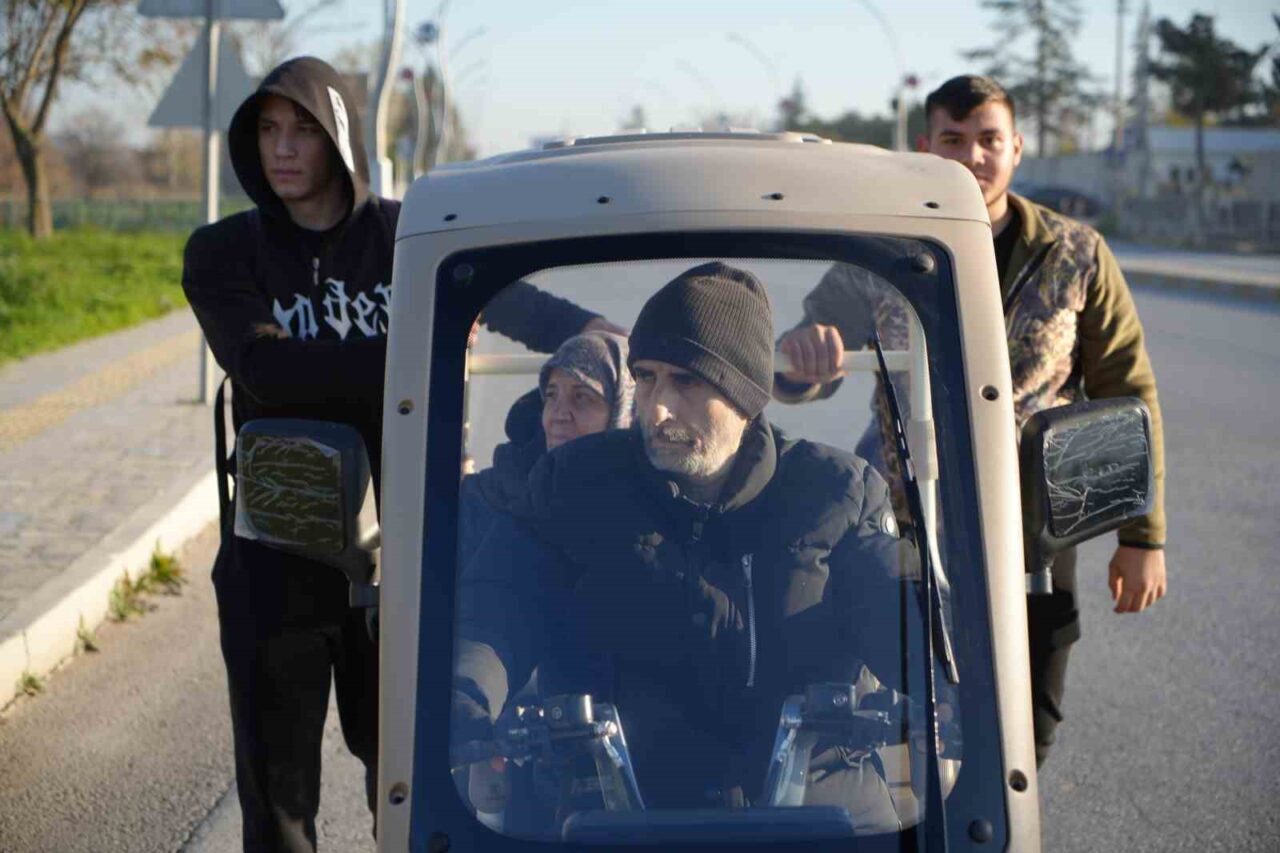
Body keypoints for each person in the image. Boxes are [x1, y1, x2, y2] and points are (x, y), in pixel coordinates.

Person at [182, 56, 617, 853]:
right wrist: (424, 348)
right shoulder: (222, 251)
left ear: (340, 135)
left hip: (403, 554)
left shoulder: (408, 235)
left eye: (304, 129)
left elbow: (513, 298)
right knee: (278, 794)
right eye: (269, 130)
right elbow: (266, 369)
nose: (283, 148)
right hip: (274, 556)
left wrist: (606, 334)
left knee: (407, 776)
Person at [773, 74, 1168, 768]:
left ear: (1016, 147)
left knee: (1029, 722)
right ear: (926, 148)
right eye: (953, 140)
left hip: (1038, 520)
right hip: (912, 511)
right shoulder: (881, 250)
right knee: (919, 708)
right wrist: (804, 360)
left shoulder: (1075, 253)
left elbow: (1126, 387)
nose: (973, 156)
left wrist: (1143, 536)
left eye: (989, 139)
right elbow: (805, 353)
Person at [451, 262, 915, 824]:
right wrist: (466, 697)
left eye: (687, 382)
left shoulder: (836, 492)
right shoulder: (572, 485)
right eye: (646, 378)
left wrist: (945, 685)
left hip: (817, 815)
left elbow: (900, 613)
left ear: (745, 395)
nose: (658, 408)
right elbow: (501, 603)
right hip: (606, 817)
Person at [458, 329, 634, 568]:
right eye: (551, 395)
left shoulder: (650, 512)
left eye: (581, 397)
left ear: (623, 411)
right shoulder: (484, 498)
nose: (558, 415)